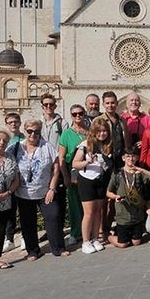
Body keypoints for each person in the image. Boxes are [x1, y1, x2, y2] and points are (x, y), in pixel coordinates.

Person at [7, 120, 69, 260]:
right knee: (27, 222)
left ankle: (58, 247)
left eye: (36, 131)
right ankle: (33, 251)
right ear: (25, 131)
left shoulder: (46, 147)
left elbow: (56, 167)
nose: (33, 134)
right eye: (30, 131)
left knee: (53, 216)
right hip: (23, 193)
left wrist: (52, 188)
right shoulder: (15, 148)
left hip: (44, 191)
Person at [72, 118, 114, 253]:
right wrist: (87, 162)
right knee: (89, 213)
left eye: (105, 131)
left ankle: (95, 238)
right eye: (99, 131)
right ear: (94, 132)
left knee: (98, 212)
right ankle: (85, 241)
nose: (102, 134)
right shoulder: (86, 144)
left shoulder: (107, 145)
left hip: (100, 180)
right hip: (87, 180)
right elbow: (75, 163)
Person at [106, 147, 150, 248]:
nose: (131, 158)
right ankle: (108, 236)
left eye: (133, 156)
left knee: (136, 242)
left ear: (137, 158)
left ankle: (127, 235)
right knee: (123, 244)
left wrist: (142, 170)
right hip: (123, 215)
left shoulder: (139, 173)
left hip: (137, 215)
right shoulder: (117, 173)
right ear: (123, 158)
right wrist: (115, 197)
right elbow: (108, 192)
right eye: (128, 156)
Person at [57, 104, 88, 246]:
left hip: (88, 171)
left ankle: (87, 232)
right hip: (73, 172)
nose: (78, 116)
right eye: (74, 114)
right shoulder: (66, 134)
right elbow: (61, 158)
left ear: (84, 114)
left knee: (87, 203)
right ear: (71, 116)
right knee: (75, 204)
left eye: (80, 113)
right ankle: (75, 232)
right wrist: (65, 177)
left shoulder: (88, 132)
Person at [40, 93, 68, 230]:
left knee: (59, 199)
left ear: (55, 106)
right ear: (42, 107)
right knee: (43, 198)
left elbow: (66, 144)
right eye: (46, 104)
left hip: (58, 165)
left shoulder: (63, 123)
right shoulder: (38, 124)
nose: (49, 107)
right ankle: (49, 229)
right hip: (43, 167)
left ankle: (60, 228)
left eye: (51, 104)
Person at [2, 112, 23, 253]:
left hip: (22, 179)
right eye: (10, 122)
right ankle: (9, 238)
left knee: (24, 209)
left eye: (15, 121)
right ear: (7, 125)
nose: (13, 124)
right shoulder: (4, 140)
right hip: (8, 180)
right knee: (9, 211)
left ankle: (24, 237)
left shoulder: (25, 138)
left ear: (20, 123)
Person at [0, 129, 19, 269]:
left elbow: (17, 179)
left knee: (0, 232)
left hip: (5, 201)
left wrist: (7, 193)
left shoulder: (10, 157)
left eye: (4, 141)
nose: (1, 143)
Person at [93, 91, 130, 171]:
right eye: (107, 103)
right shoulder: (98, 120)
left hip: (121, 159)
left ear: (117, 103)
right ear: (103, 104)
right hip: (105, 159)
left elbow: (126, 140)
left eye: (112, 103)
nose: (110, 105)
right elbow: (92, 140)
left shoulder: (122, 120)